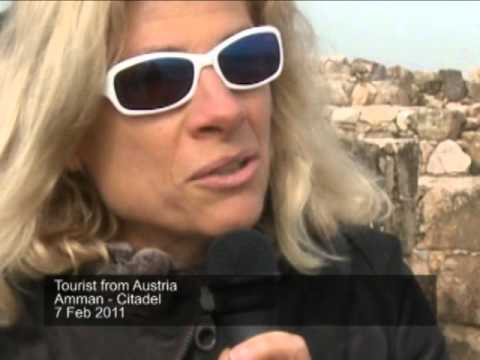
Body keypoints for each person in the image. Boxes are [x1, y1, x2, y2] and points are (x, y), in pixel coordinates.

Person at [0, 1, 448, 359]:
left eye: (244, 59)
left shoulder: (371, 287)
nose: (226, 110)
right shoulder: (21, 324)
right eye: (156, 81)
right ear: (69, 132)